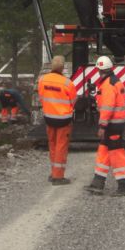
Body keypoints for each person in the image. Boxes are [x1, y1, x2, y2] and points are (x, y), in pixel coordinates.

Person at [85, 55, 125, 196]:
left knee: (116, 154)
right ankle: (98, 183)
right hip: (115, 124)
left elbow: (107, 108)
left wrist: (102, 126)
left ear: (99, 70)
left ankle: (124, 186)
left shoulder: (108, 85)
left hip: (112, 125)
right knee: (104, 152)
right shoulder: (115, 82)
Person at [37, 55, 77, 185]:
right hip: (63, 120)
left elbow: (41, 97)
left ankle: (53, 172)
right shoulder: (67, 83)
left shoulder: (42, 80)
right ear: (63, 67)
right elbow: (73, 101)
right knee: (61, 147)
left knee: (52, 145)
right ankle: (58, 177)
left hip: (49, 117)